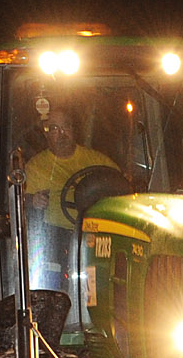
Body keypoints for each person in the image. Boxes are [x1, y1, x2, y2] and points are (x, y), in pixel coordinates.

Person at [22, 106, 114, 293]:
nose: (62, 134)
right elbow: (21, 199)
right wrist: (33, 200)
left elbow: (121, 187)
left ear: (74, 130)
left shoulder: (97, 160)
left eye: (66, 127)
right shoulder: (35, 167)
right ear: (47, 135)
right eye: (54, 129)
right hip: (55, 238)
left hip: (94, 235)